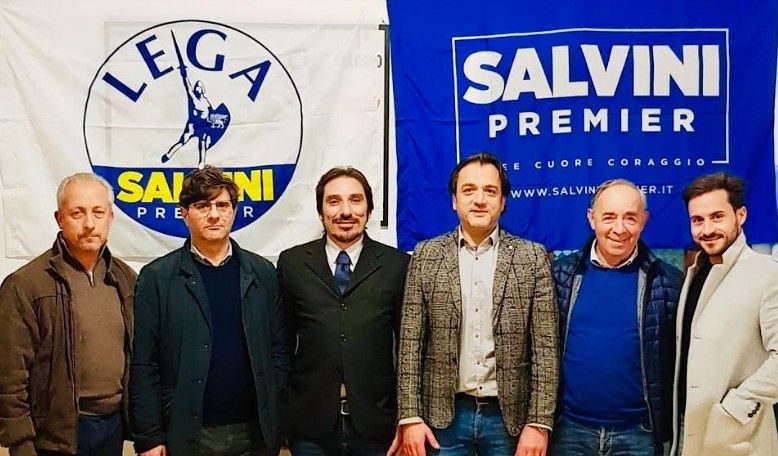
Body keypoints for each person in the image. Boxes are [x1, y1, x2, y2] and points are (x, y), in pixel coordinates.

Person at [396, 152, 559, 456]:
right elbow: (410, 344)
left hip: (509, 422)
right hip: (442, 420)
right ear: (454, 200)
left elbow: (545, 349)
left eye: (490, 191)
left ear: (503, 201)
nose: (479, 200)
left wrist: (538, 423)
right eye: (469, 190)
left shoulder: (532, 257)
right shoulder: (426, 255)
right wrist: (410, 417)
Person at [131, 166, 290, 456]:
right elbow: (144, 364)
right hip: (188, 434)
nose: (214, 214)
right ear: (184, 214)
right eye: (203, 206)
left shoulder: (263, 273)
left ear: (234, 212)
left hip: (256, 433)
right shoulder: (156, 278)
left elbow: (280, 349)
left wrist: (273, 399)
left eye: (222, 205)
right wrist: (149, 436)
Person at [0, 173, 136, 456]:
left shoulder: (127, 280)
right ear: (59, 219)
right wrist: (20, 443)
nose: (89, 223)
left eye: (98, 212)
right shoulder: (25, 285)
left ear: (111, 218)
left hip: (113, 428)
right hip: (54, 436)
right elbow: (10, 374)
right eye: (77, 213)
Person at [277, 166, 410, 455]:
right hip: (309, 428)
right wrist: (281, 418)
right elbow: (281, 346)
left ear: (369, 210)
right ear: (321, 211)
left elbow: (408, 349)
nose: (345, 211)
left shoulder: (397, 265)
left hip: (376, 426)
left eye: (355, 200)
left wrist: (406, 415)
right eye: (334, 201)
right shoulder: (292, 264)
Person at [549, 179, 682, 455]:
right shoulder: (559, 276)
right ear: (591, 219)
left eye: (630, 218)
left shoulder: (667, 282)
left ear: (644, 220)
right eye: (609, 217)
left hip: (639, 434)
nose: (619, 229)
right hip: (569, 431)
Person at [670, 172, 778, 455]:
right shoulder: (695, 272)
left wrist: (736, 407)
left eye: (717, 217)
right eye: (698, 220)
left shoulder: (768, 274)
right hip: (686, 429)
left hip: (736, 433)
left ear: (740, 215)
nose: (707, 229)